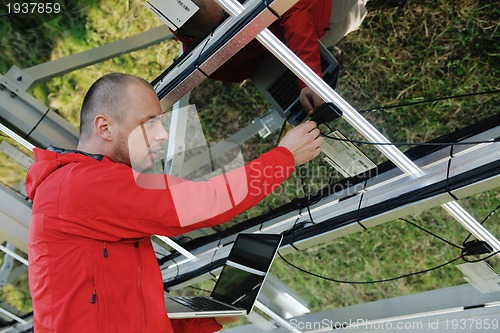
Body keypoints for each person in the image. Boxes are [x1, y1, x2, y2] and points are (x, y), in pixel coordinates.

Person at [26, 72, 323, 333]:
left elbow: (130, 315)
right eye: (149, 123)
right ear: (104, 128)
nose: (163, 134)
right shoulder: (79, 186)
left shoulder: (83, 187)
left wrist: (209, 319)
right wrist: (283, 158)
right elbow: (204, 203)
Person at [172, 0, 369, 114]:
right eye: (227, 15)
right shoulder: (208, 56)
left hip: (313, 15)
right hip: (311, 30)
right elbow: (238, 72)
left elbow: (292, 10)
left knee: (348, 15)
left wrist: (308, 78)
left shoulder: (202, 44)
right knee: (349, 18)